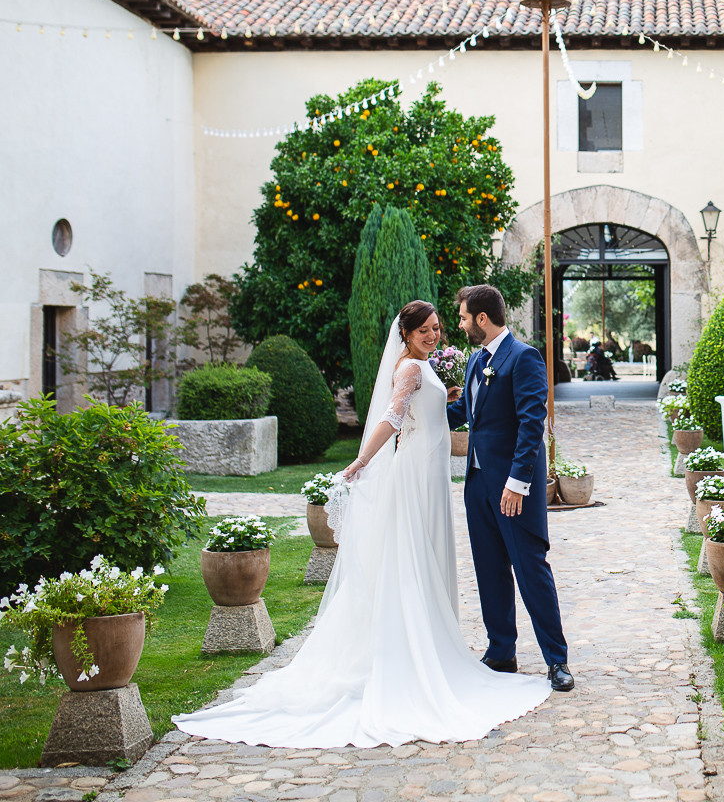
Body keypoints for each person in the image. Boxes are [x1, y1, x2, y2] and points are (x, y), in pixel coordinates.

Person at [172, 301, 551, 747]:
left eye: (441, 327)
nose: (436, 335)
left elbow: (450, 414)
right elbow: (392, 418)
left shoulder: (434, 367)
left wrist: (445, 399)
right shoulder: (409, 369)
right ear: (406, 334)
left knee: (435, 558)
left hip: (434, 476)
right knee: (411, 561)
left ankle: (460, 648)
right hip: (414, 475)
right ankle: (414, 655)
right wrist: (362, 459)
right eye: (426, 329)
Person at [447, 285, 573, 692]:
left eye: (464, 317)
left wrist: (517, 484)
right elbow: (465, 412)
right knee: (489, 570)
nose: (461, 324)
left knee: (530, 569)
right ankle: (501, 651)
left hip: (513, 487)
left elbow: (531, 424)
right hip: (478, 484)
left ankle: (557, 661)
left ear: (483, 319)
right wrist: (418, 407)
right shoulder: (474, 361)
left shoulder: (524, 358)